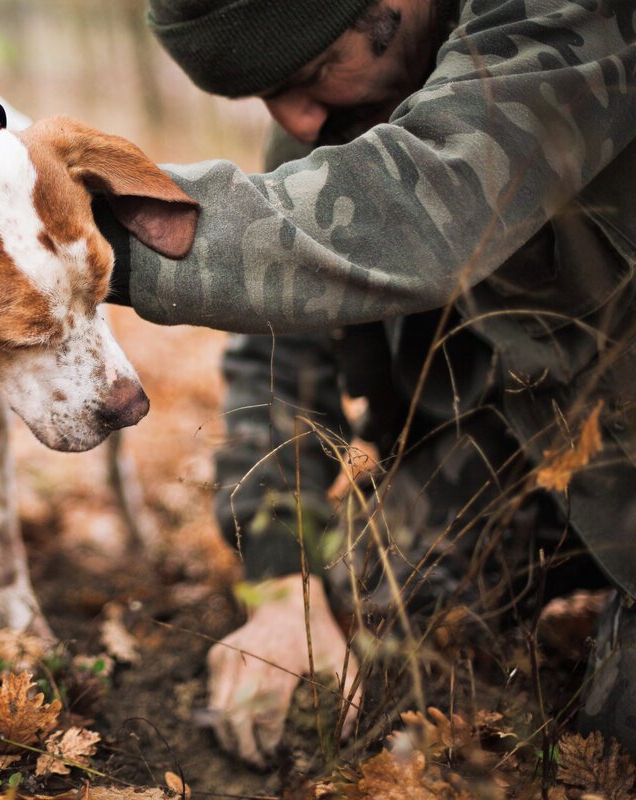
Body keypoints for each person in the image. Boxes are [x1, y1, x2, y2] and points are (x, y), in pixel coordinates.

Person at [95, 0, 636, 768]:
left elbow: (429, 207)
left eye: (315, 70)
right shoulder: (331, 110)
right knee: (365, 619)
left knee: (614, 746)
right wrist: (283, 587)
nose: (297, 120)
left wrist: (77, 239)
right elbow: (279, 369)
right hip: (515, 452)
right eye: (265, 95)